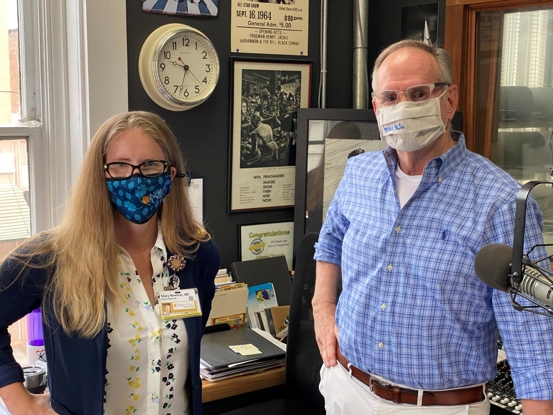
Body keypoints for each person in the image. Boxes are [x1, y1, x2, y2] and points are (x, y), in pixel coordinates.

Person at [312, 39, 553, 414]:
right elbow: (330, 242)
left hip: (437, 407)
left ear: (449, 100)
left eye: (419, 93)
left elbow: (531, 341)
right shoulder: (359, 173)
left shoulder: (501, 203)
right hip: (346, 387)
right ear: (376, 107)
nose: (403, 106)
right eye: (390, 97)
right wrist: (323, 310)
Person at [0, 111, 220, 415]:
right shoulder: (53, 257)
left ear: (170, 174)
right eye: (120, 165)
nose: (136, 178)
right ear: (100, 175)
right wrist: (19, 402)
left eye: (150, 164)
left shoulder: (198, 255)